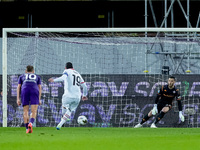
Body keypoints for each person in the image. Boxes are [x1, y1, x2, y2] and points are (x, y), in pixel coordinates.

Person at [48, 62, 88, 130]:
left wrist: (54, 80)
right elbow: (85, 86)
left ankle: (64, 118)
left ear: (65, 67)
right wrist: (84, 95)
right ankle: (62, 123)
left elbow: (63, 78)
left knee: (64, 108)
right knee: (69, 110)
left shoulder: (66, 71)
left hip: (68, 95)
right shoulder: (78, 73)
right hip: (77, 97)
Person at [17, 65, 42, 133]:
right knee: (34, 111)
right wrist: (39, 99)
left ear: (26, 71)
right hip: (34, 90)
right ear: (33, 71)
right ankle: (31, 123)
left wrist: (18, 98)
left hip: (25, 90)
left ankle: (26, 128)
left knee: (25, 111)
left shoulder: (22, 76)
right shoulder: (37, 76)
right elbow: (40, 88)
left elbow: (18, 87)